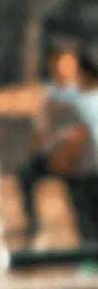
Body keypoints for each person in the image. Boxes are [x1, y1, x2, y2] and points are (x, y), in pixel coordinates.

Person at [16, 37, 81, 245]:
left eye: (65, 62)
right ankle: (34, 229)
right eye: (56, 62)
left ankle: (85, 242)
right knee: (25, 173)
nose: (60, 67)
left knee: (82, 194)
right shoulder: (49, 92)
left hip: (79, 159)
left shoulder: (84, 91)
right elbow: (41, 129)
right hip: (54, 155)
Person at [42, 39, 98, 252]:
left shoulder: (79, 102)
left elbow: (78, 135)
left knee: (86, 223)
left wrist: (59, 160)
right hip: (86, 169)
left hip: (85, 169)